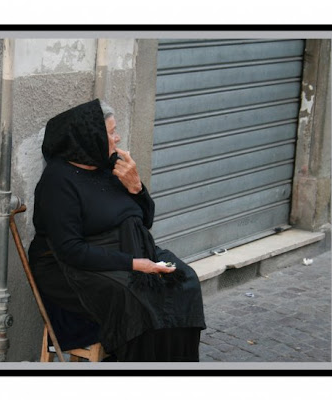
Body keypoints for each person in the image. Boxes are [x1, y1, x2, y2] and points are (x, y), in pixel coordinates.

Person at [28, 98, 206, 361]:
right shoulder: (58, 182)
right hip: (72, 268)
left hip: (125, 249)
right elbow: (71, 250)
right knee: (138, 301)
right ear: (90, 137)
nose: (118, 138)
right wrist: (134, 264)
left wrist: (136, 187)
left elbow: (144, 221)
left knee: (184, 282)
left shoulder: (110, 167)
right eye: (111, 132)